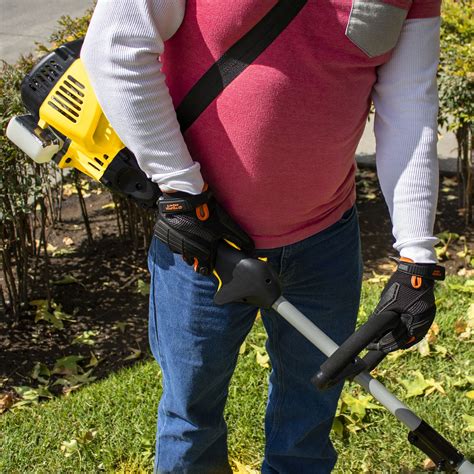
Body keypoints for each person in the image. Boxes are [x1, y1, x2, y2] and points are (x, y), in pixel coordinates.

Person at [81, 1, 444, 472]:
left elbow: (409, 100)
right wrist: (181, 189)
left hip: (325, 240)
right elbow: (116, 45)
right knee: (192, 415)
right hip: (203, 242)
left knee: (309, 417)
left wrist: (417, 255)